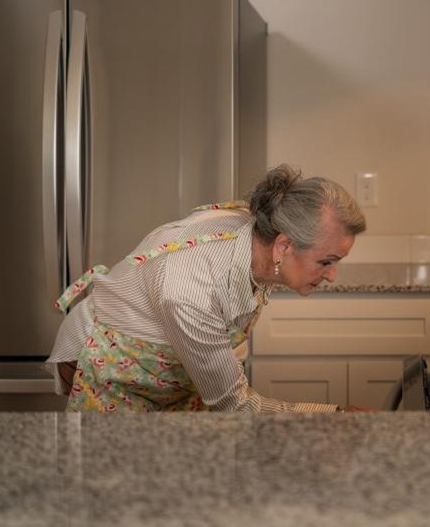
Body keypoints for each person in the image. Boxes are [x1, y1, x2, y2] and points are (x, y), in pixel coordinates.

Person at [45, 164, 366, 412]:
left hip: (168, 373)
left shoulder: (260, 234)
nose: (333, 275)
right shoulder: (191, 289)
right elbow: (235, 405)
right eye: (327, 261)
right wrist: (332, 415)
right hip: (110, 371)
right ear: (283, 247)